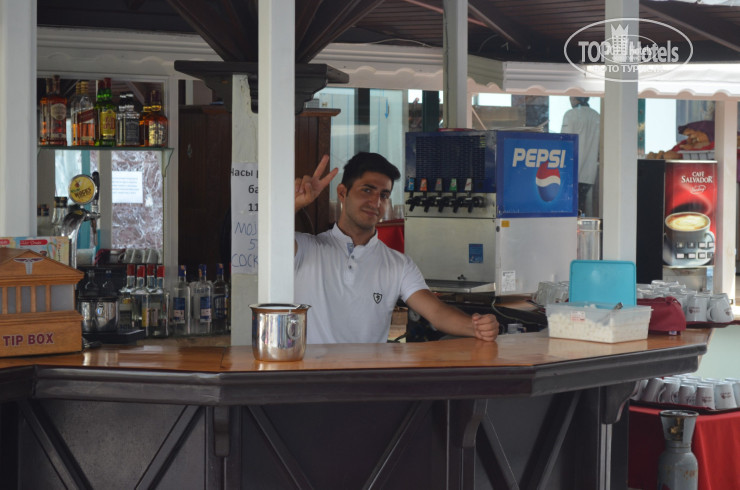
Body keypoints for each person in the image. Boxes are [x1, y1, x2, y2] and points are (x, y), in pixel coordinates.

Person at [294, 152, 499, 344]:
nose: (376, 202)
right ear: (342, 192)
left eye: (384, 195)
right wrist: (294, 204)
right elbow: (275, 241)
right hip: (313, 370)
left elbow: (436, 313)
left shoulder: (399, 264)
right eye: (367, 190)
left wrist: (477, 327)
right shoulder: (305, 248)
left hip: (368, 371)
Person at [561, 97, 600, 216]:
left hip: (571, 171)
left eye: (571, 96)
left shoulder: (571, 114)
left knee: (570, 209)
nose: (570, 99)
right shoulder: (597, 116)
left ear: (575, 98)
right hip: (589, 173)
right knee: (581, 206)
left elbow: (563, 142)